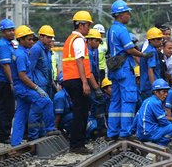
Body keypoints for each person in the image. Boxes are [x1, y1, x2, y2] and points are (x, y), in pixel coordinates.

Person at [107, 0, 153, 141]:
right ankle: (125, 132)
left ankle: (112, 132)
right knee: (129, 99)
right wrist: (143, 55)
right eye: (127, 13)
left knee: (115, 100)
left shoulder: (111, 30)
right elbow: (129, 49)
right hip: (124, 69)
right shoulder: (121, 30)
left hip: (114, 69)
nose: (129, 15)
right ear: (121, 15)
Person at [11, 25, 61, 146]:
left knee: (20, 114)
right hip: (24, 87)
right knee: (46, 102)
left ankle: (15, 143)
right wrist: (36, 88)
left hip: (22, 87)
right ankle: (50, 129)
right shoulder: (22, 55)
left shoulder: (21, 52)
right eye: (29, 39)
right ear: (21, 40)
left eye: (32, 39)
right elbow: (23, 76)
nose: (32, 41)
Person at [62, 11, 104, 154]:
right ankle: (77, 145)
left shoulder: (70, 39)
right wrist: (85, 83)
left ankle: (78, 142)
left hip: (70, 79)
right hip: (76, 80)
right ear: (80, 25)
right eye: (87, 25)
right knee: (81, 113)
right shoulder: (79, 40)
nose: (88, 28)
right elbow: (79, 61)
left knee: (80, 112)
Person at [27, 25, 56, 141]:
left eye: (51, 38)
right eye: (48, 37)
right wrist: (34, 87)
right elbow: (30, 69)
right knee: (36, 111)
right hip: (39, 85)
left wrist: (52, 84)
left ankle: (42, 135)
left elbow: (48, 69)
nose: (50, 40)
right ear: (41, 37)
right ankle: (33, 136)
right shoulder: (36, 49)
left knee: (43, 111)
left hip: (47, 84)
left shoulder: (46, 50)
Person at [135, 79, 172, 146]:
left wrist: (133, 132)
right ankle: (160, 145)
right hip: (149, 134)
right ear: (156, 92)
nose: (166, 94)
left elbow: (136, 117)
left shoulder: (146, 101)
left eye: (167, 92)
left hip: (141, 134)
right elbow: (163, 122)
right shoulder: (156, 102)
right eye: (164, 92)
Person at [0, 19, 16, 144]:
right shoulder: (4, 45)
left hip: (4, 81)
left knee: (5, 108)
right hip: (4, 82)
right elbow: (5, 65)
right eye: (8, 31)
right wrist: (11, 82)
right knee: (6, 108)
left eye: (12, 30)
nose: (11, 33)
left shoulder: (8, 44)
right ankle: (3, 136)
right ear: (3, 32)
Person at [140, 27, 164, 99]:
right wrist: (154, 87)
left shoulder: (147, 50)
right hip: (150, 87)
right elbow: (150, 70)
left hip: (146, 86)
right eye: (159, 39)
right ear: (151, 40)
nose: (161, 41)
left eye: (161, 39)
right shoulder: (152, 52)